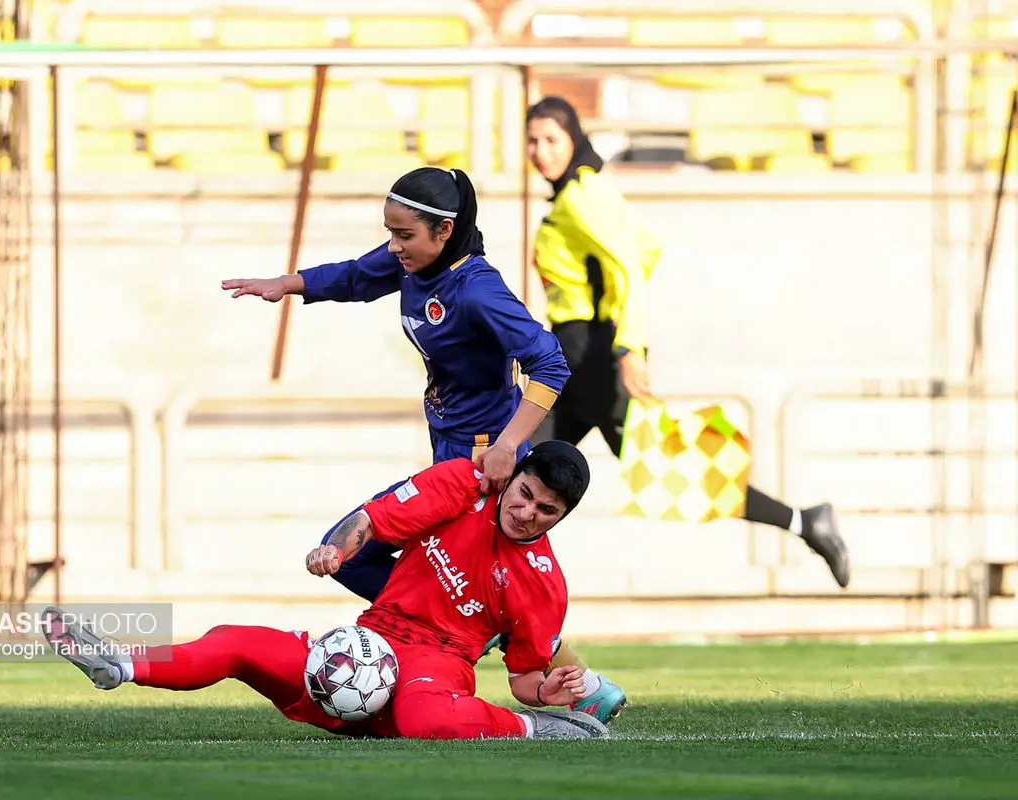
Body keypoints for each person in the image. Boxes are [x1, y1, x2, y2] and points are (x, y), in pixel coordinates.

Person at [220, 167, 629, 723]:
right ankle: (576, 681)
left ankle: (474, 635)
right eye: (389, 232)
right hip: (450, 451)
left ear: (444, 231)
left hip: (481, 460)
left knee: (348, 550)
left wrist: (511, 444)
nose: (393, 247)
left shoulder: (478, 288)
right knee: (393, 564)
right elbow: (358, 276)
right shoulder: (415, 260)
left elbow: (550, 362)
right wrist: (287, 285)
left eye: (403, 235)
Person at [43, 442, 611, 742]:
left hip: (437, 667)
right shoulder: (461, 486)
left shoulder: (543, 582)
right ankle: (119, 665)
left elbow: (523, 677)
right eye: (526, 493)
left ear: (560, 518)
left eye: (546, 511)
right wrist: (337, 551)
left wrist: (545, 695)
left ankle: (538, 732)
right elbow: (371, 519)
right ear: (513, 478)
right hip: (364, 646)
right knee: (237, 641)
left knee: (420, 720)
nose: (527, 512)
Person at [524, 96, 850, 588]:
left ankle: (807, 521)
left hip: (592, 361)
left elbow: (633, 265)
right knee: (518, 476)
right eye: (532, 140)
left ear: (574, 140)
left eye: (551, 139)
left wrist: (627, 346)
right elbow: (647, 246)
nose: (540, 151)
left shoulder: (581, 197)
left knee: (671, 475)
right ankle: (806, 522)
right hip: (573, 358)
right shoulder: (580, 193)